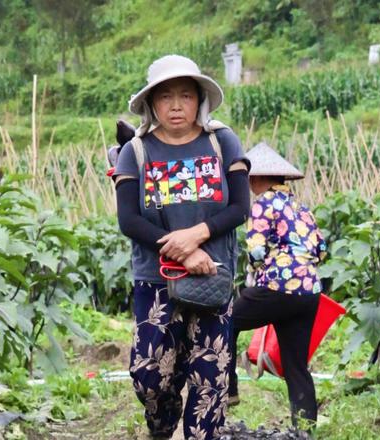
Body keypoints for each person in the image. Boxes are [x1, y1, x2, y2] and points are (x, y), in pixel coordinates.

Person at [113, 54, 250, 440]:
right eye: (166, 96)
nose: (176, 105)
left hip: (213, 275)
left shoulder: (222, 141)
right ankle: (163, 423)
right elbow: (130, 220)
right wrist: (184, 250)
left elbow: (241, 207)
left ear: (199, 100)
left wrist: (198, 235)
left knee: (210, 384)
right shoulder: (135, 152)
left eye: (186, 96)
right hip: (156, 280)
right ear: (151, 104)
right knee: (150, 377)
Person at [228, 142, 327, 429]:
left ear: (257, 178)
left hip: (276, 286)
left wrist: (257, 272)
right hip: (308, 292)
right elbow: (320, 250)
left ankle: (229, 389)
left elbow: (256, 251)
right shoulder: (301, 207)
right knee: (296, 366)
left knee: (225, 322)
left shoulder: (261, 205)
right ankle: (305, 428)